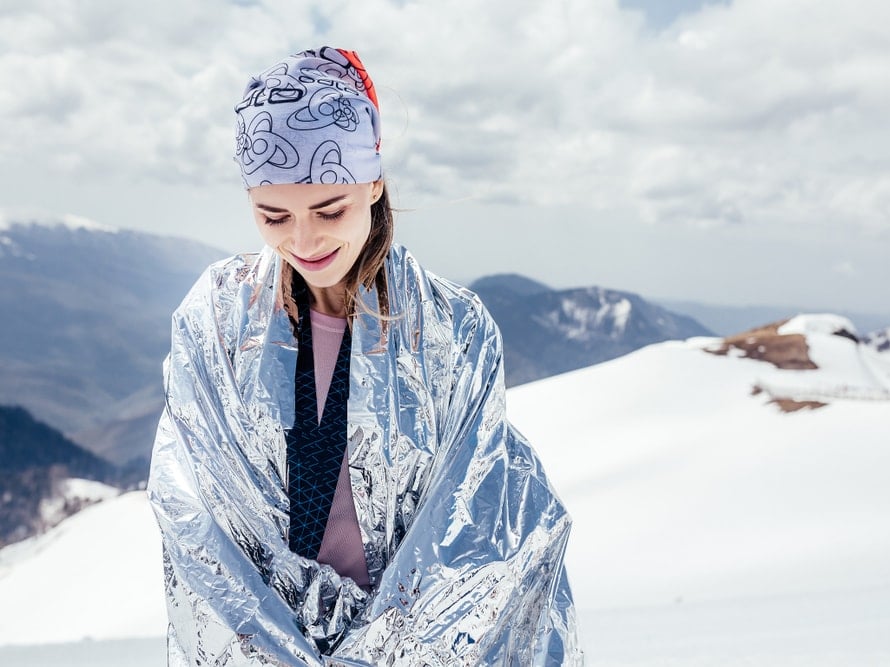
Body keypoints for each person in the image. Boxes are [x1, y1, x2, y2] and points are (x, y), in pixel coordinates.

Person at [147, 46, 581, 666]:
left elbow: (468, 534)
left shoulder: (454, 332)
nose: (304, 240)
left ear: (373, 180)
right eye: (273, 215)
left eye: (330, 209)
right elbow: (198, 521)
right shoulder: (216, 322)